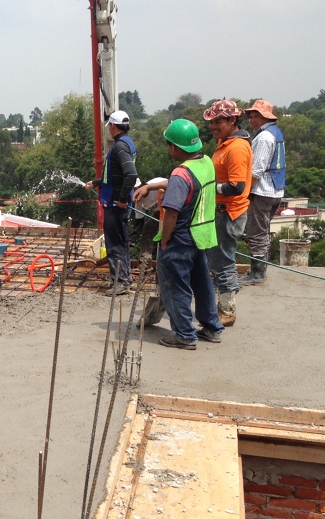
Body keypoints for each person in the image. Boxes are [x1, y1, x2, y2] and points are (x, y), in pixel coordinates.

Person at [133, 119, 224, 349]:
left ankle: (184, 335)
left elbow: (172, 211)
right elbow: (183, 183)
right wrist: (151, 186)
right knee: (202, 284)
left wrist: (164, 241)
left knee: (175, 286)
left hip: (181, 239)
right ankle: (212, 328)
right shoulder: (205, 163)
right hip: (202, 236)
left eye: (169, 145)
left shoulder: (181, 172)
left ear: (175, 147)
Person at [203, 99, 252, 326]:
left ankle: (227, 310)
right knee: (217, 260)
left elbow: (237, 186)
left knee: (223, 262)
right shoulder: (225, 142)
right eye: (211, 122)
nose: (213, 126)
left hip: (229, 212)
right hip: (220, 210)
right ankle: (221, 306)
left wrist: (208, 186)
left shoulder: (237, 148)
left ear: (232, 120)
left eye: (218, 121)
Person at [86, 110, 138, 293]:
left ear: (113, 126)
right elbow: (114, 176)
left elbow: (131, 174)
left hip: (116, 204)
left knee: (114, 243)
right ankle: (125, 277)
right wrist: (97, 182)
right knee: (122, 240)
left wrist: (122, 199)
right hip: (117, 201)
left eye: (110, 127)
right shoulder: (126, 143)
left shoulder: (119, 147)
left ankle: (121, 282)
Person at [240, 99, 285, 286]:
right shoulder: (275, 132)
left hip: (263, 191)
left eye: (256, 115)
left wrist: (245, 192)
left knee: (257, 233)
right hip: (275, 189)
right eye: (251, 115)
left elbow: (256, 170)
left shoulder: (265, 137)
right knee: (264, 232)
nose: (252, 119)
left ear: (265, 116)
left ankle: (257, 274)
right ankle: (259, 269)